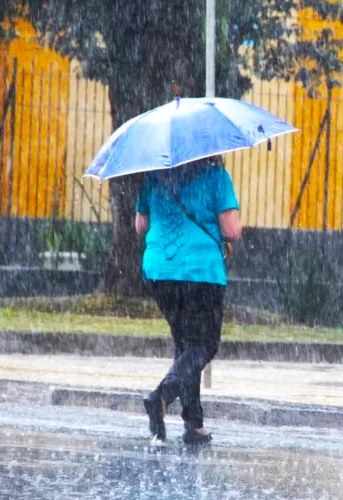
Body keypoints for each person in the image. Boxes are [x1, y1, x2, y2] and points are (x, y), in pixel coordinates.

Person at [135, 156, 242, 445]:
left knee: (186, 346)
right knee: (204, 344)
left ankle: (194, 424)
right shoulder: (216, 175)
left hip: (160, 272)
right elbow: (231, 229)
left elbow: (140, 225)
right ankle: (162, 395)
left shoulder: (153, 174)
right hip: (200, 271)